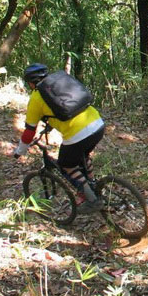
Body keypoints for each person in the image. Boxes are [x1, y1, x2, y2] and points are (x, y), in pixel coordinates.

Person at [14, 63, 105, 214]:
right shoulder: (61, 82)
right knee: (83, 155)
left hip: (78, 134)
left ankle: (92, 200)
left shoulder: (36, 97)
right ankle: (93, 185)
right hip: (97, 123)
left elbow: (29, 131)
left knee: (65, 164)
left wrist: (20, 151)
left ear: (31, 83)